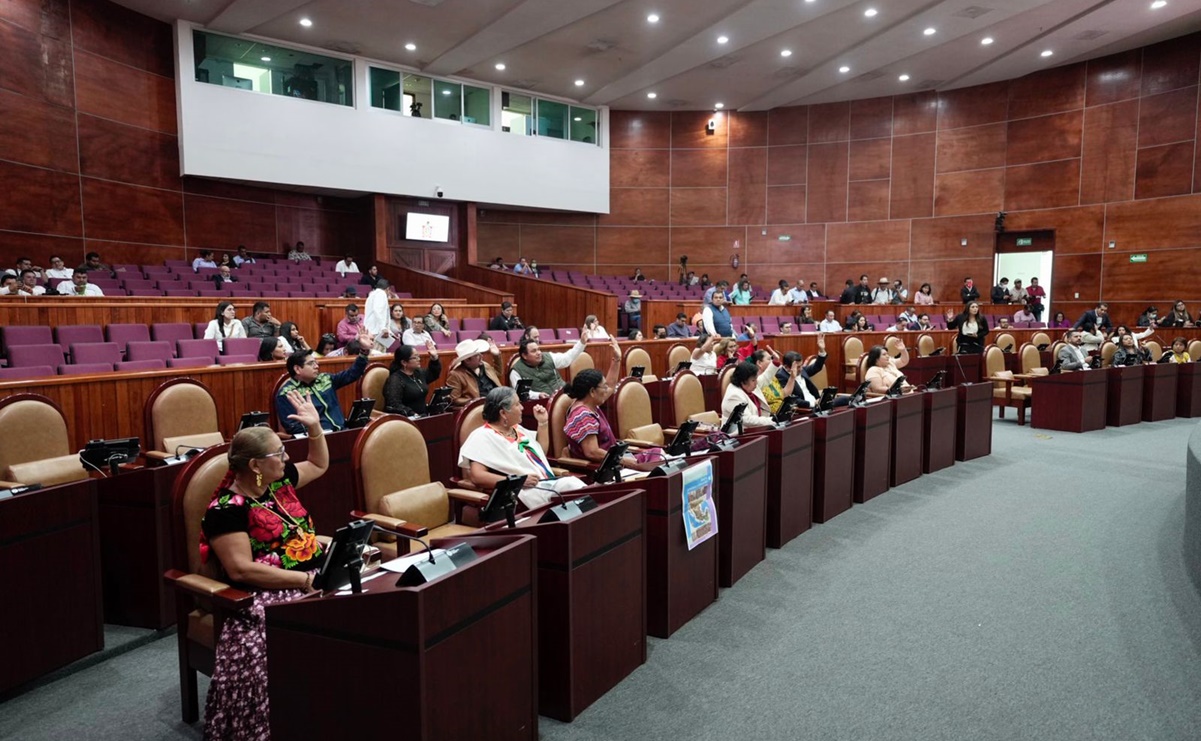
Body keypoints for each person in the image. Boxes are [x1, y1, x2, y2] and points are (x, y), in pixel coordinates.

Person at [198, 392, 328, 740]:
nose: (286, 457)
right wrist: (303, 580)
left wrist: (316, 429)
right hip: (263, 596)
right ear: (255, 465)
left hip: (312, 579)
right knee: (277, 655)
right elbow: (241, 570)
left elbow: (318, 465)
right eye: (279, 453)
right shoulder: (226, 509)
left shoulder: (278, 483)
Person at [458, 387, 588, 510]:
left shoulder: (516, 429)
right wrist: (519, 481)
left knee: (579, 493)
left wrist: (542, 423)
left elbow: (540, 453)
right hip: (521, 492)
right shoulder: (482, 436)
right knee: (572, 486)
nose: (522, 407)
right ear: (503, 412)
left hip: (545, 483)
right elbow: (477, 476)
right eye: (517, 404)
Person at [564, 348, 664, 466]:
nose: (607, 391)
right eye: (603, 387)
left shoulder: (589, 403)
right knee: (661, 464)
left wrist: (616, 359)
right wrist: (625, 461)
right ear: (592, 391)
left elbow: (610, 385)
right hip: (605, 468)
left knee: (659, 455)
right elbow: (592, 452)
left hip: (614, 459)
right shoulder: (583, 416)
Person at [276, 338, 372, 435]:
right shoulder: (287, 393)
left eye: (315, 362)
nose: (317, 366)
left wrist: (364, 352)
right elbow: (293, 426)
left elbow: (352, 374)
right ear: (297, 369)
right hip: (316, 438)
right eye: (311, 364)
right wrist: (317, 432)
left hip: (343, 432)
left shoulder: (325, 379)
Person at [510, 330, 592, 397]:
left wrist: (581, 343)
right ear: (524, 355)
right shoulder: (517, 371)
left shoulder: (548, 357)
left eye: (538, 349)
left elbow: (567, 359)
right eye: (534, 351)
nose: (539, 353)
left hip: (564, 395)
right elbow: (522, 393)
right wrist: (538, 395)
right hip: (541, 404)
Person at [383, 342, 442, 416]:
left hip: (423, 416)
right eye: (415, 357)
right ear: (404, 362)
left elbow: (434, 374)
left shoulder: (418, 373)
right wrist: (413, 414)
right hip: (406, 420)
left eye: (418, 356)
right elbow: (394, 405)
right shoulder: (395, 380)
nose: (419, 359)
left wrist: (434, 358)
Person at [721, 361, 777, 431]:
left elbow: (765, 378)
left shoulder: (748, 385)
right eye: (754, 380)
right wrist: (772, 420)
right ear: (743, 381)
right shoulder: (734, 395)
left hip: (756, 430)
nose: (756, 383)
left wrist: (775, 363)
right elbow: (747, 420)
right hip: (738, 436)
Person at [447, 338, 503, 407]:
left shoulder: (485, 365)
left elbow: (498, 373)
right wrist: (475, 401)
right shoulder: (456, 375)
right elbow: (454, 400)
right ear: (467, 360)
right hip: (479, 408)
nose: (481, 356)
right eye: (477, 355)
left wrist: (496, 356)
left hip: (498, 401)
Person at [362, 280, 392, 353]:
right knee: (378, 355)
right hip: (377, 332)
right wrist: (383, 328)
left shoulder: (372, 294)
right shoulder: (381, 294)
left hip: (371, 331)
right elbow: (378, 311)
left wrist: (390, 331)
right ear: (388, 289)